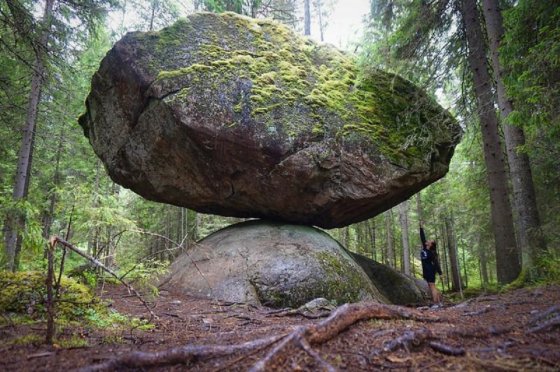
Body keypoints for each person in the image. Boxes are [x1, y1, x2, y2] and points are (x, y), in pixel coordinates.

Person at [419, 223, 443, 307]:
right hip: (426, 270)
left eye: (430, 241)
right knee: (431, 286)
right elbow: (422, 237)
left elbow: (436, 263)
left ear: (431, 245)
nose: (428, 241)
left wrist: (440, 273)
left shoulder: (432, 253)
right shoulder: (425, 248)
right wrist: (421, 228)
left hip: (430, 270)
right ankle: (438, 302)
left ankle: (436, 303)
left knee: (432, 286)